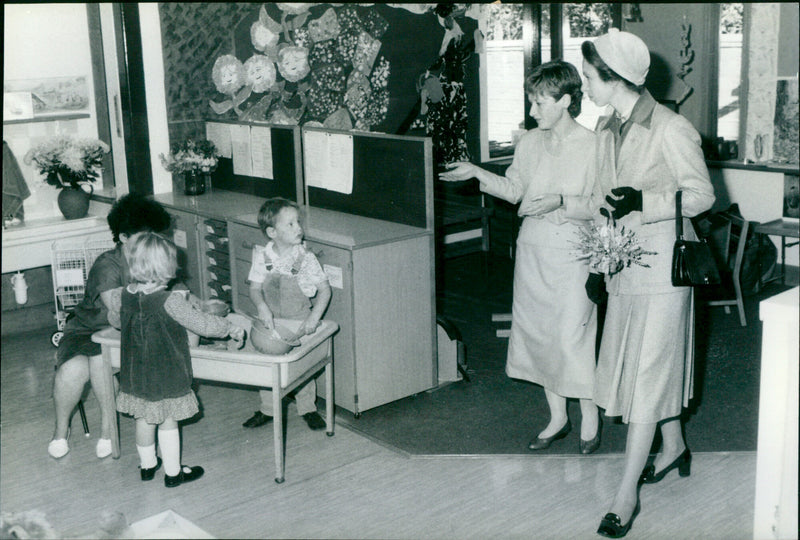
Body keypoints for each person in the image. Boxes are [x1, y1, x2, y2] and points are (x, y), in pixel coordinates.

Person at [581, 29, 715, 537]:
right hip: (622, 270)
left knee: (645, 380)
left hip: (663, 273)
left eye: (591, 78)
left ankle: (625, 496)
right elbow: (601, 198)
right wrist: (598, 264)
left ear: (613, 79)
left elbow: (701, 195)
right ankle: (674, 445)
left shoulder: (670, 128)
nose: (587, 86)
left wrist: (647, 201)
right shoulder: (604, 127)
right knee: (640, 367)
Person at [439, 60, 601, 454]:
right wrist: (477, 172)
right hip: (532, 252)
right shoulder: (529, 142)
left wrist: (563, 202)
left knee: (572, 338)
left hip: (573, 254)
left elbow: (603, 204)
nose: (532, 112)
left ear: (564, 100)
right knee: (542, 337)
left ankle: (591, 419)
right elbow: (515, 191)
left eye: (539, 103)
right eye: (531, 103)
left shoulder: (596, 146)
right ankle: (558, 418)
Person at [106, 232, 245, 487]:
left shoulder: (122, 296)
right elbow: (202, 324)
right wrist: (229, 328)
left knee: (144, 418)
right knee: (168, 420)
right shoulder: (171, 301)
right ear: (167, 268)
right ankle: (173, 473)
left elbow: (114, 321)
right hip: (166, 372)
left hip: (135, 373)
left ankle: (147, 467)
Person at [48, 193, 172, 460]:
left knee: (94, 361)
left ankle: (107, 428)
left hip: (123, 334)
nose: (151, 241)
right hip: (86, 329)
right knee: (73, 368)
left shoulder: (151, 257)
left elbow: (176, 291)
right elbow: (119, 310)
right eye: (143, 235)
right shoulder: (107, 264)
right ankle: (61, 430)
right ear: (124, 237)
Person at [241, 198, 332, 431]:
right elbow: (254, 288)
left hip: (298, 320)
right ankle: (268, 409)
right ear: (272, 232)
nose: (298, 228)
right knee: (267, 363)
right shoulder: (262, 256)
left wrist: (314, 318)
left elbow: (324, 290)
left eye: (298, 222)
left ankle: (307, 408)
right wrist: (261, 306)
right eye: (290, 224)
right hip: (270, 321)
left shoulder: (305, 258)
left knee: (302, 365)